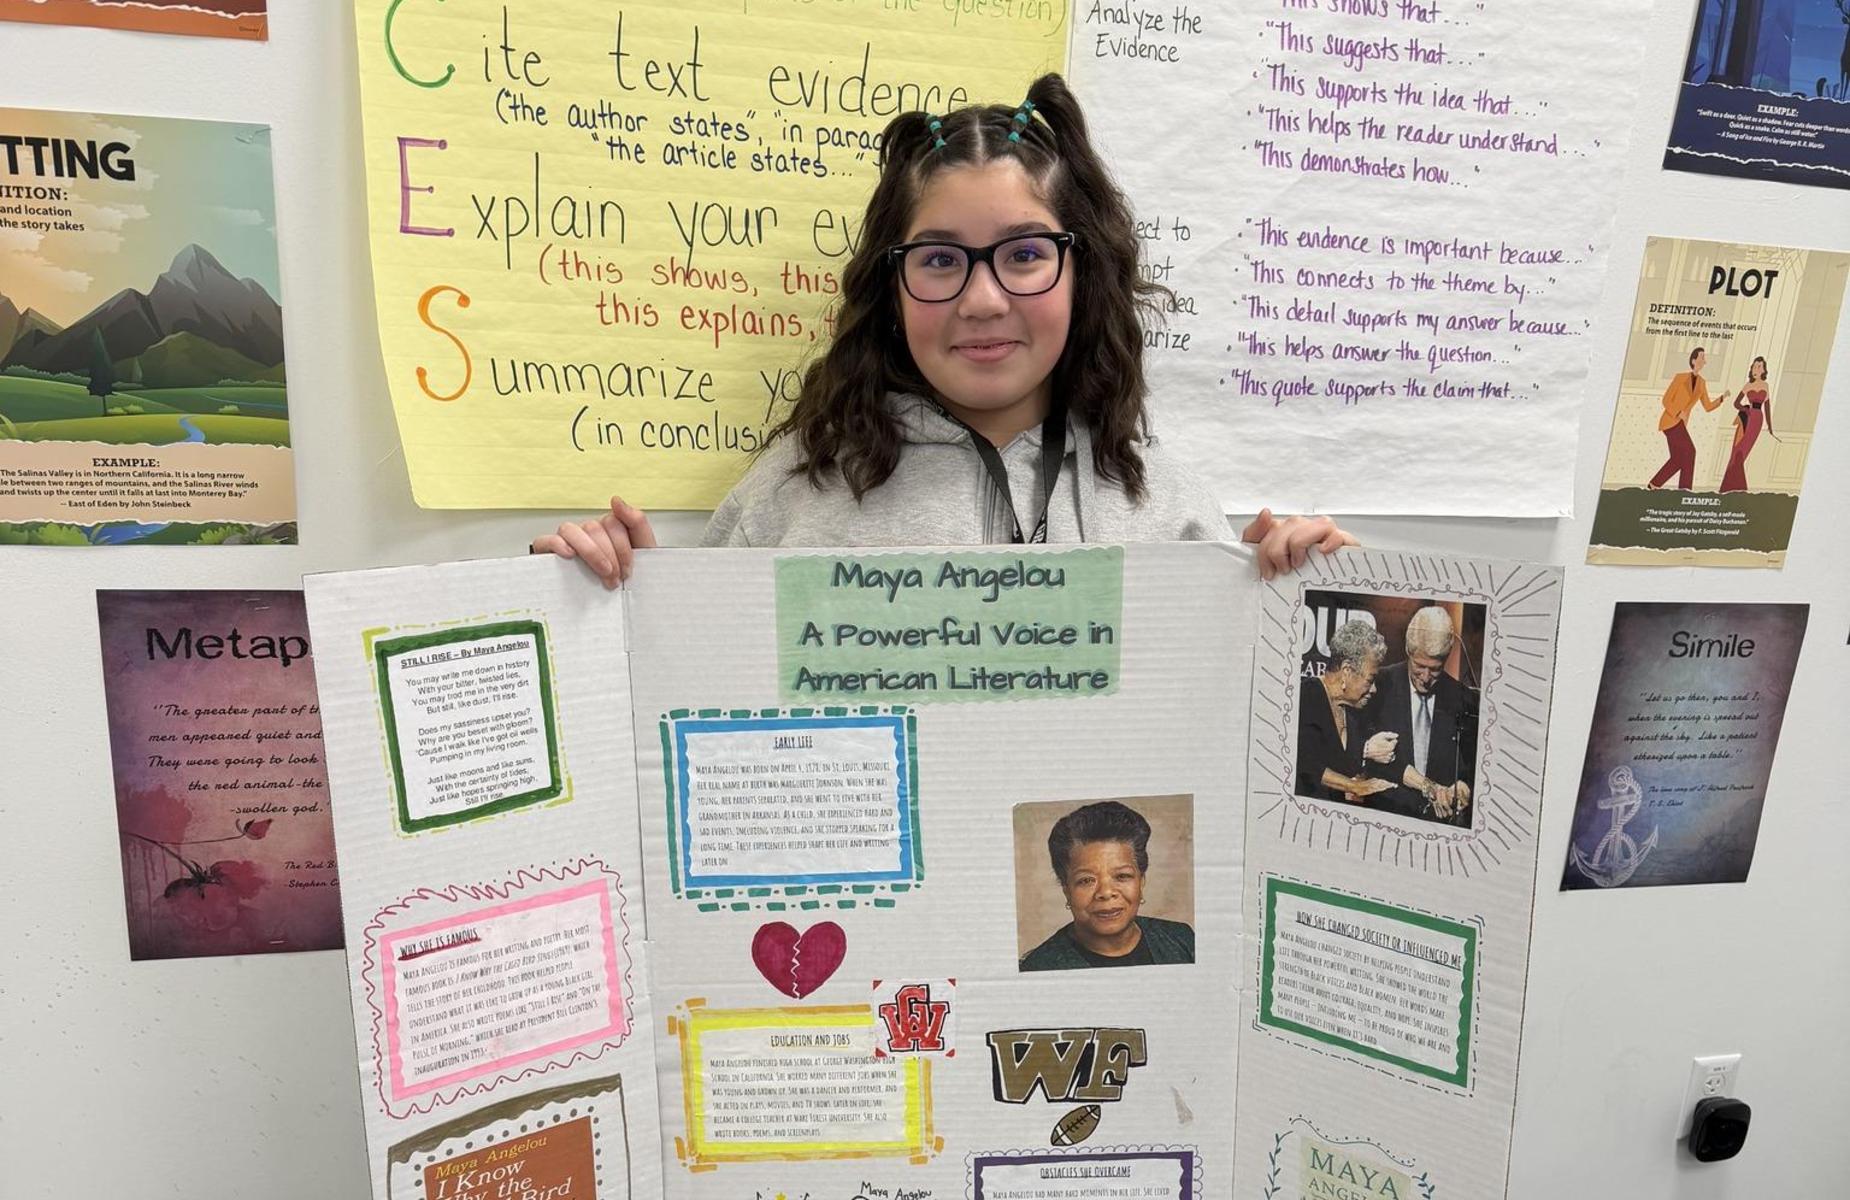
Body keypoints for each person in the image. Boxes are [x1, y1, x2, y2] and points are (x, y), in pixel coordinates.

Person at [532, 75, 1353, 578]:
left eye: (1024, 254)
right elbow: (699, 714)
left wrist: (1285, 602)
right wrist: (617, 609)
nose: (984, 300)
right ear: (892, 286)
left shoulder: (1163, 507)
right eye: (938, 260)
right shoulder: (792, 499)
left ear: (1082, 272)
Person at [1019, 800, 1192, 970]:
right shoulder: (1039, 967)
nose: (1106, 892)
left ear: (1141, 881)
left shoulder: (1182, 939)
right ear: (1066, 890)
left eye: (1122, 876)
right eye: (1086, 880)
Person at [1359, 606, 1477, 825]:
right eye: (1420, 666)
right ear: (1407, 650)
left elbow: (1473, 765)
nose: (1425, 677)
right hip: (1384, 818)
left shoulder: (1463, 698)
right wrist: (1428, 787)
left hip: (1439, 825)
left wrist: (1463, 787)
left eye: (1435, 669)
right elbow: (1364, 754)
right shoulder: (1379, 687)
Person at [1295, 620, 1397, 806]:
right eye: (1370, 680)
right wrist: (1354, 786)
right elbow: (1305, 764)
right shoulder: (1307, 696)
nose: (1373, 689)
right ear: (1347, 671)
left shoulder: (1354, 712)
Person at [1647, 346, 1728, 491]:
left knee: (1678, 458)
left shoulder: (1702, 383)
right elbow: (1666, 400)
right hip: (1670, 421)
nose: (1705, 360)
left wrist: (1722, 398)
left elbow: (1708, 406)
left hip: (1681, 425)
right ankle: (1685, 490)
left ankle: (1654, 484)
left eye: (1704, 358)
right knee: (1690, 452)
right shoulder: (1680, 377)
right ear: (1693, 360)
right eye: (1702, 357)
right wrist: (1678, 412)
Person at [1719, 355, 1773, 494]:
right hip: (1747, 419)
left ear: (1763, 370)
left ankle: (1735, 488)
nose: (1756, 368)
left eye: (1759, 366)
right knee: (1737, 453)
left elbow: (1767, 407)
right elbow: (1736, 403)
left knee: (1743, 454)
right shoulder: (1748, 386)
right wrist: (1745, 409)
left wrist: (1770, 427)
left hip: (1758, 420)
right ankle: (1734, 488)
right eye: (1754, 366)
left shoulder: (1765, 386)